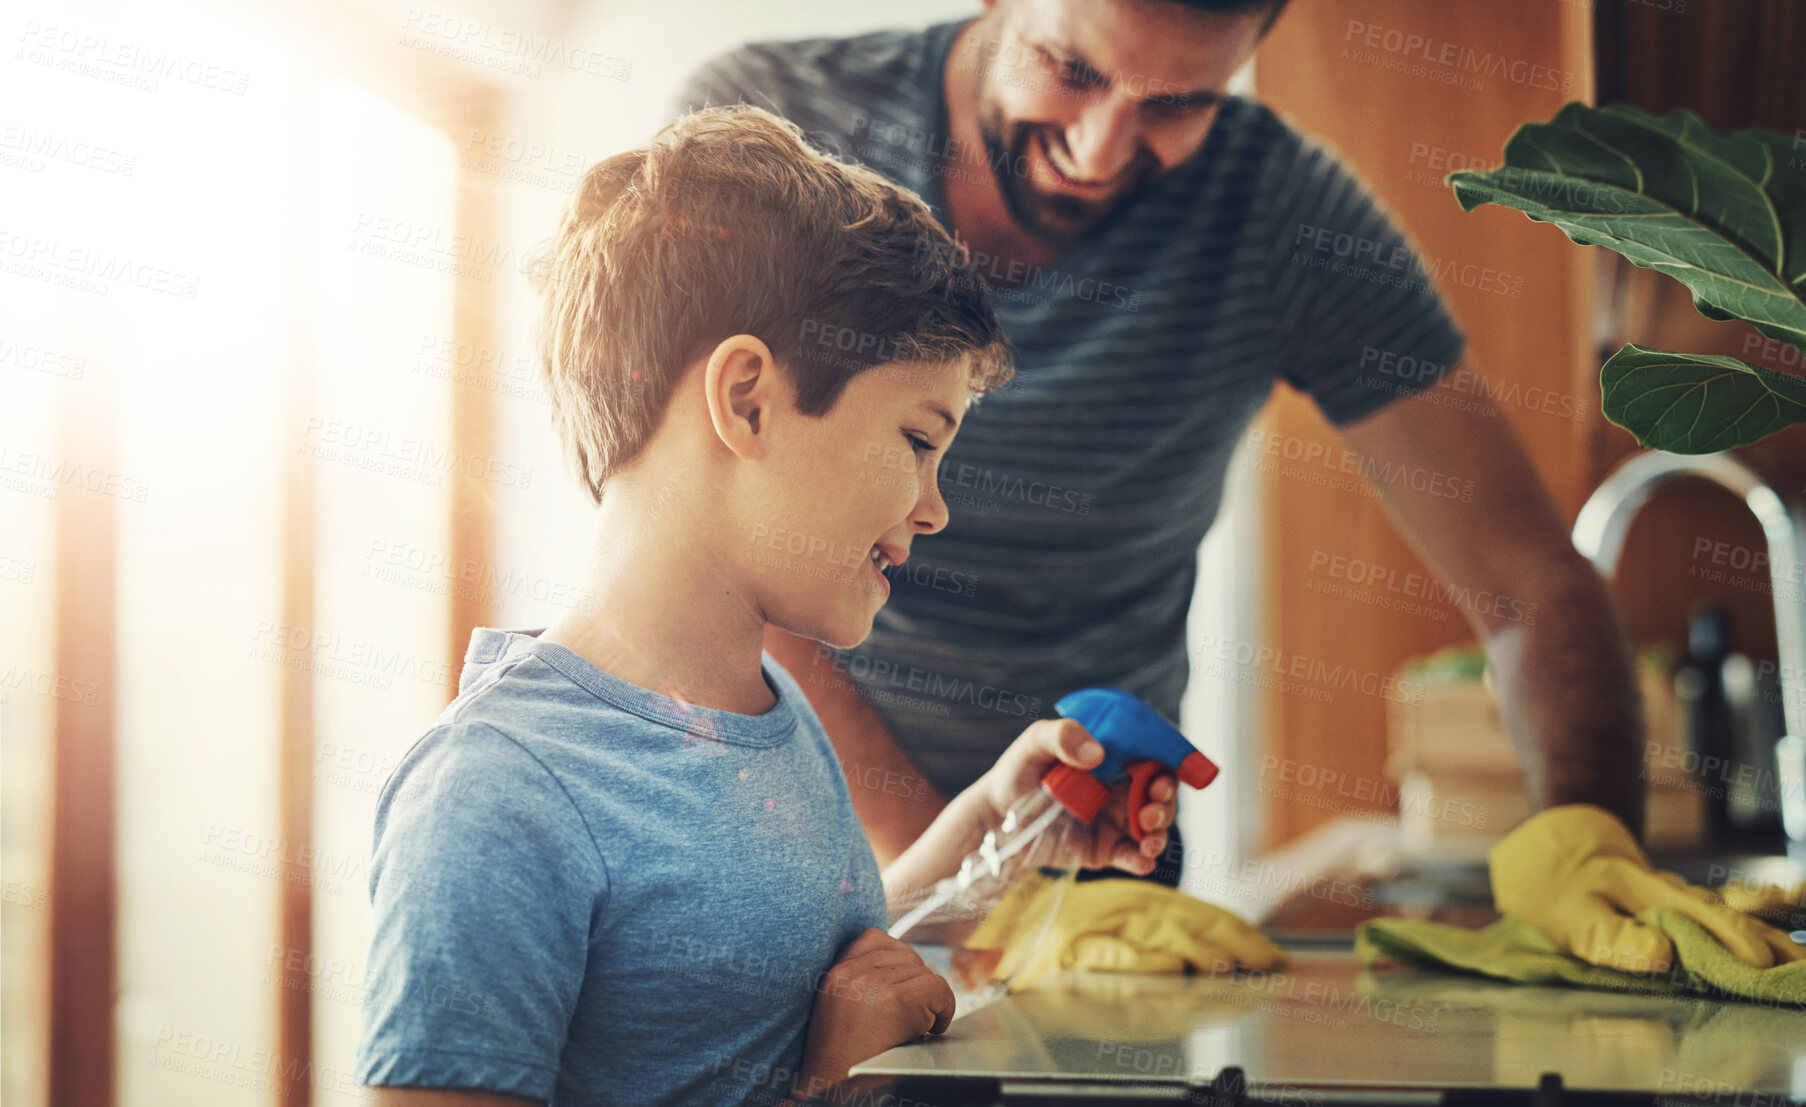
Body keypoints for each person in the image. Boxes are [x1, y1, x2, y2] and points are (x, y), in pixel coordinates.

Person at [671, 0, 1806, 975]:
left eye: (1176, 105)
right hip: (776, 848)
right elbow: (701, 542)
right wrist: (964, 886)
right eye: (1071, 69)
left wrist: (1586, 833)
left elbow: (1526, 577)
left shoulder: (1280, 214)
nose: (1101, 147)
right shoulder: (775, 131)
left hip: (1101, 883)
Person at [351, 105, 1180, 1107]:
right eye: (920, 441)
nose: (934, 509)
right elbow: (822, 1042)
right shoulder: (498, 796)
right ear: (746, 399)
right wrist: (835, 1090)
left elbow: (804, 985)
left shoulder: (770, 709)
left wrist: (995, 833)